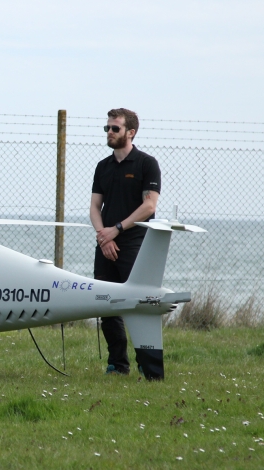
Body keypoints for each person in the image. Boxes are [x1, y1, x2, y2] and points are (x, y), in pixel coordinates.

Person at [90, 108, 160, 375]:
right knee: (106, 303)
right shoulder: (102, 167)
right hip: (105, 244)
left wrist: (117, 230)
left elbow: (149, 206)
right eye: (107, 128)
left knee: (138, 304)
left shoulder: (146, 164)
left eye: (115, 128)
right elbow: (94, 207)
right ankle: (117, 364)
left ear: (130, 132)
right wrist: (103, 236)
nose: (109, 132)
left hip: (134, 244)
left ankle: (146, 364)